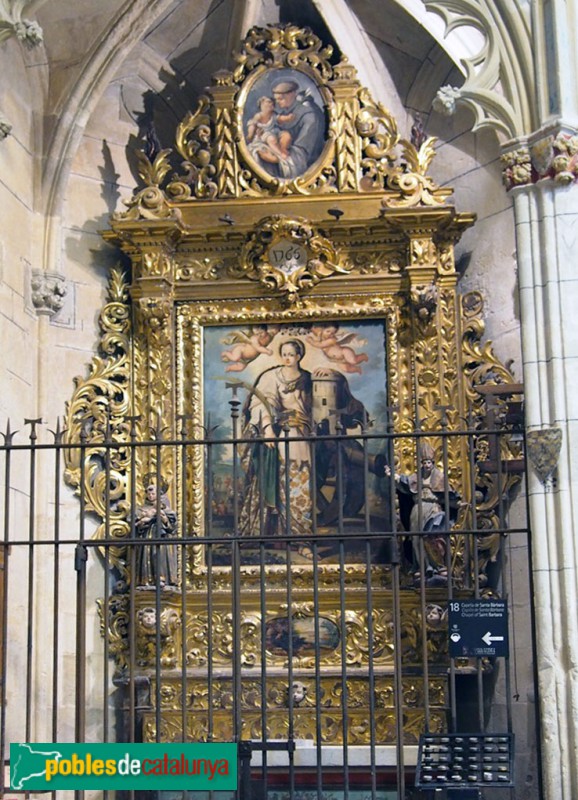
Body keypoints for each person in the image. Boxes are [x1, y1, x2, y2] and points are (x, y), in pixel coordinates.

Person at [239, 339, 313, 541]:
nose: (287, 358)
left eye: (291, 354)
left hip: (304, 435)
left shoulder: (308, 379)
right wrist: (268, 430)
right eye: (285, 354)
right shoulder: (272, 377)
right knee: (281, 484)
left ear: (299, 356)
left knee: (301, 485)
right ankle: (274, 533)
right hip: (281, 435)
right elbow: (261, 403)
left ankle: (300, 536)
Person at [386, 444, 460, 585]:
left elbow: (448, 495)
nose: (426, 465)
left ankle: (438, 566)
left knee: (433, 537)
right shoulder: (416, 477)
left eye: (429, 463)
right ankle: (421, 567)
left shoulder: (439, 477)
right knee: (416, 538)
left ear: (433, 463)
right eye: (424, 462)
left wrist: (456, 503)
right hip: (417, 510)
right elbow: (403, 483)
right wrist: (392, 475)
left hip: (433, 509)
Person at [249, 79, 325, 179]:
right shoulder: (282, 113)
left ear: (291, 95)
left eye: (280, 99)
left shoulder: (308, 116)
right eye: (276, 100)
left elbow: (302, 154)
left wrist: (277, 159)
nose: (277, 103)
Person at [135, 483, 177, 587]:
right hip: (147, 537)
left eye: (153, 493)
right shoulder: (142, 509)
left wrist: (165, 520)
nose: (151, 496)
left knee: (159, 555)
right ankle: (146, 579)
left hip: (160, 537)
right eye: (149, 494)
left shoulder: (165, 509)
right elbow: (136, 526)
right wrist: (143, 522)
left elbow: (172, 528)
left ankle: (161, 578)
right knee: (148, 556)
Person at [246, 96, 293, 163]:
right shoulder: (259, 115)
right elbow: (252, 124)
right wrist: (250, 134)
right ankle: (280, 153)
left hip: (275, 131)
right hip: (263, 134)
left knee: (286, 135)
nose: (272, 104)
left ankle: (283, 149)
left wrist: (287, 118)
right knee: (271, 139)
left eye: (272, 103)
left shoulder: (273, 114)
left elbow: (280, 118)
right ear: (262, 105)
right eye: (269, 102)